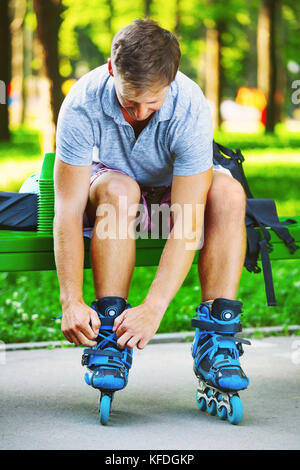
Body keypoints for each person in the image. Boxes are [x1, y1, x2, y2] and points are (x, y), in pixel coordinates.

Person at [54, 18, 249, 423]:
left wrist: (155, 306)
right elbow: (68, 212)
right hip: (108, 185)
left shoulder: (190, 104)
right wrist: (70, 299)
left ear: (172, 81)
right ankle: (109, 330)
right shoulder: (82, 102)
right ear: (112, 70)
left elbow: (188, 220)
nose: (140, 113)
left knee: (229, 194)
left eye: (152, 104)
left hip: (169, 190)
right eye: (129, 103)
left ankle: (217, 336)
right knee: (121, 190)